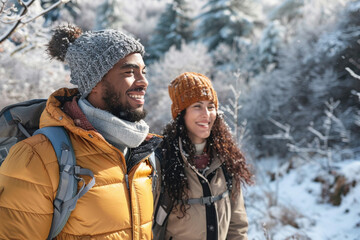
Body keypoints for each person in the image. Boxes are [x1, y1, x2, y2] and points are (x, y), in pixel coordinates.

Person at [0, 24, 161, 239]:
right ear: (94, 83)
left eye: (143, 72)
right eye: (130, 72)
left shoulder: (143, 155)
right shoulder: (37, 157)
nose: (143, 82)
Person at [153, 72, 253, 240]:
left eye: (211, 106)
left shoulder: (226, 158)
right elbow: (151, 229)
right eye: (197, 106)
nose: (206, 114)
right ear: (181, 113)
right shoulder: (162, 161)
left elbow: (237, 225)